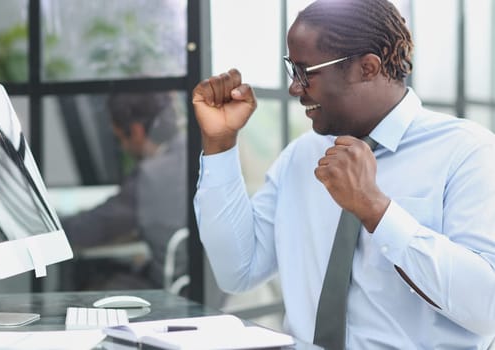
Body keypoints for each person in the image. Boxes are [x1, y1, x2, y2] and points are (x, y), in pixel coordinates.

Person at [192, 0, 495, 349]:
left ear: (367, 68)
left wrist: (376, 210)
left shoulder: (467, 152)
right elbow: (237, 270)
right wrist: (220, 144)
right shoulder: (302, 156)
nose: (294, 87)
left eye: (306, 72)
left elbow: (486, 308)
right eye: (293, 70)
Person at [62, 92, 187, 291]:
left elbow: (93, 227)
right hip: (204, 289)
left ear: (136, 131)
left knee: (92, 280)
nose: (122, 147)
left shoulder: (152, 176)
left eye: (119, 138)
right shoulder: (194, 153)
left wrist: (49, 228)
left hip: (173, 292)